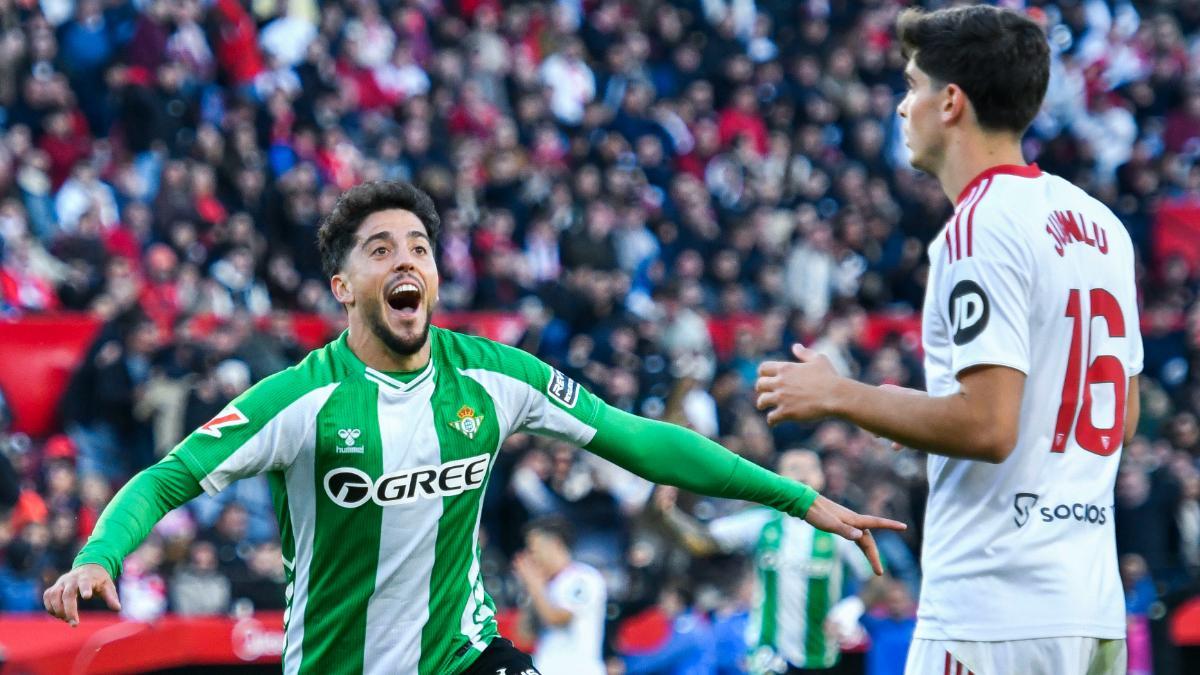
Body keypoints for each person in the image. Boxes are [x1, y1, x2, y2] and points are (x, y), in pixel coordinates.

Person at [44, 180, 905, 675]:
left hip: (466, 654)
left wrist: (798, 497)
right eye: (380, 248)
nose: (406, 258)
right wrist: (97, 555)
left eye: (418, 244)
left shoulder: (493, 375)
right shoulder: (297, 400)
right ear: (343, 287)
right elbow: (163, 477)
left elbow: (637, 437)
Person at [754, 6, 1141, 674]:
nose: (903, 108)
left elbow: (989, 426)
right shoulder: (1100, 222)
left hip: (995, 606)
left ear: (952, 102)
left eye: (911, 87)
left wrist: (841, 393)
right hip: (1091, 603)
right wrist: (923, 413)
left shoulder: (981, 224)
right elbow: (1118, 415)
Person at [654, 449, 875, 674]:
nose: (803, 474)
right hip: (767, 654)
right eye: (794, 468)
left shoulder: (839, 529)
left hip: (821, 654)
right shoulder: (762, 522)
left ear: (821, 476)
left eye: (810, 468)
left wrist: (853, 607)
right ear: (778, 477)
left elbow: (879, 580)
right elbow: (702, 541)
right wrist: (669, 514)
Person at [511, 516, 606, 675]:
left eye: (534, 550)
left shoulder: (583, 578)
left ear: (555, 544)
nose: (531, 557)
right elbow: (524, 635)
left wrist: (534, 585)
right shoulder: (543, 586)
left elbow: (557, 618)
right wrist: (530, 591)